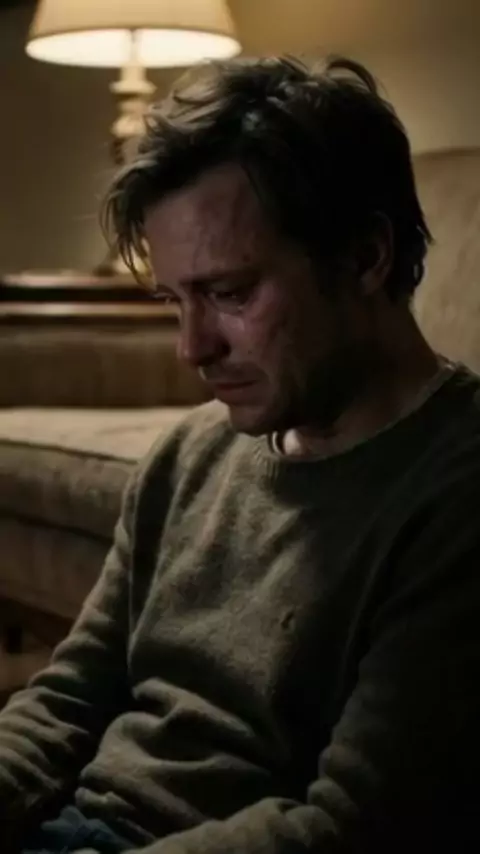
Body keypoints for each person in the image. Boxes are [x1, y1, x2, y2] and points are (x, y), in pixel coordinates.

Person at [2, 54, 480, 854]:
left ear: (366, 256)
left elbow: (351, 826)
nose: (192, 349)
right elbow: (67, 700)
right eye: (174, 300)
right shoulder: (189, 454)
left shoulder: (454, 492)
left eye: (229, 294)